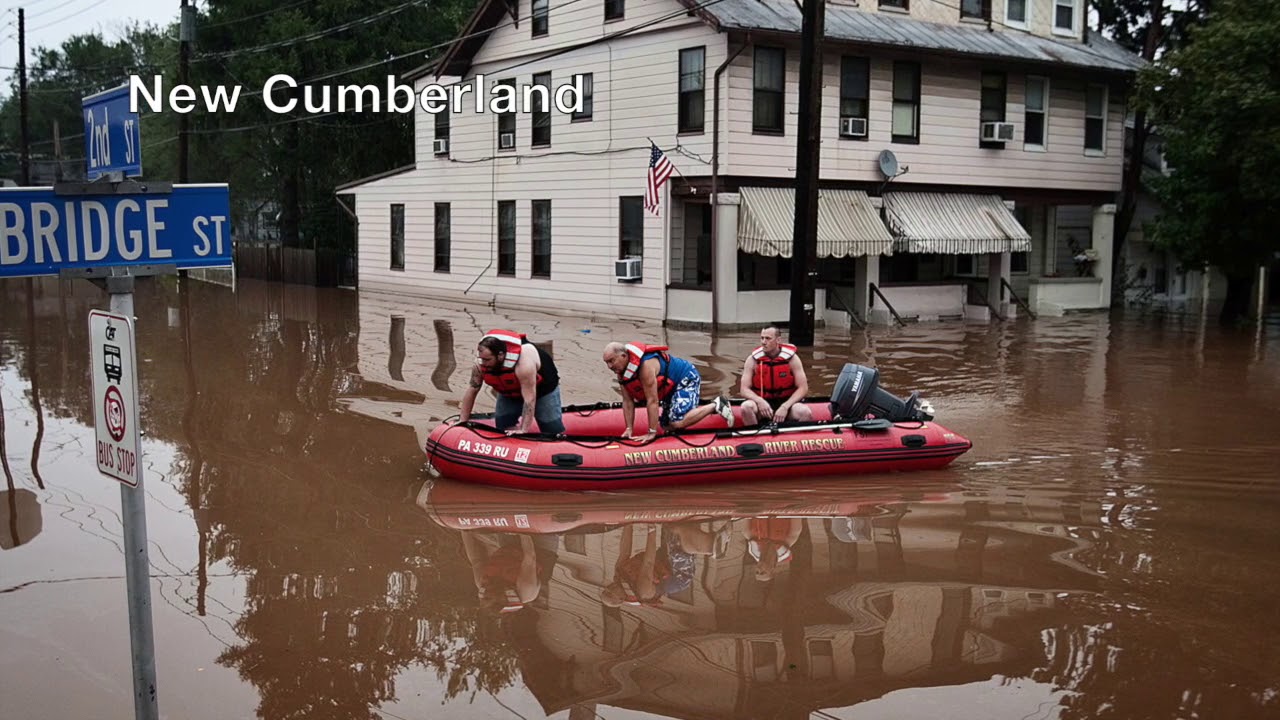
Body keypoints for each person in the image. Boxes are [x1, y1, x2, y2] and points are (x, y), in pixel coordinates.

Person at [601, 341, 733, 438]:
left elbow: (652, 400)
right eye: (607, 362)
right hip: (669, 388)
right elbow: (627, 401)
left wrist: (651, 432)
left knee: (677, 422)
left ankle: (717, 404)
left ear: (624, 356)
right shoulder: (622, 372)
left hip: (685, 377)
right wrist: (629, 428)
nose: (609, 366)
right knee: (666, 426)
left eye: (612, 361)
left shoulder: (645, 367)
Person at [458, 329, 565, 435]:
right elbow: (472, 389)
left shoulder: (524, 365)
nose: (483, 363)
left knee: (551, 428)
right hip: (509, 390)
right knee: (502, 424)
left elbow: (530, 399)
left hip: (543, 388)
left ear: (500, 356)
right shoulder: (479, 365)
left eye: (487, 360)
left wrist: (523, 430)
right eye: (482, 359)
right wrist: (463, 420)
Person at [738, 326, 813, 426]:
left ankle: (791, 439)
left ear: (778, 340)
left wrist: (785, 407)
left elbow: (803, 388)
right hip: (762, 404)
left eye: (768, 338)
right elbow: (744, 389)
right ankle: (755, 437)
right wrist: (759, 401)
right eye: (762, 338)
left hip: (787, 403)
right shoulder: (752, 360)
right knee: (746, 407)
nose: (763, 342)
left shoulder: (792, 359)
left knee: (805, 412)